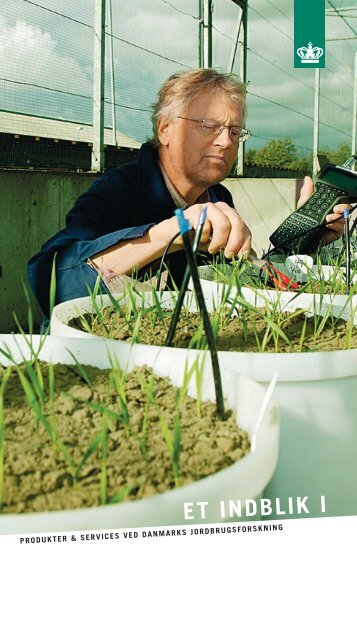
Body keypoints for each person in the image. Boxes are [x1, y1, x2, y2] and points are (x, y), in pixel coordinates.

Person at [27, 68, 349, 317]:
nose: (226, 142)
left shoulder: (218, 197)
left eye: (235, 132)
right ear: (165, 129)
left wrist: (311, 232)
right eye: (209, 126)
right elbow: (48, 280)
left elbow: (247, 278)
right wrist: (174, 230)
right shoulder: (117, 192)